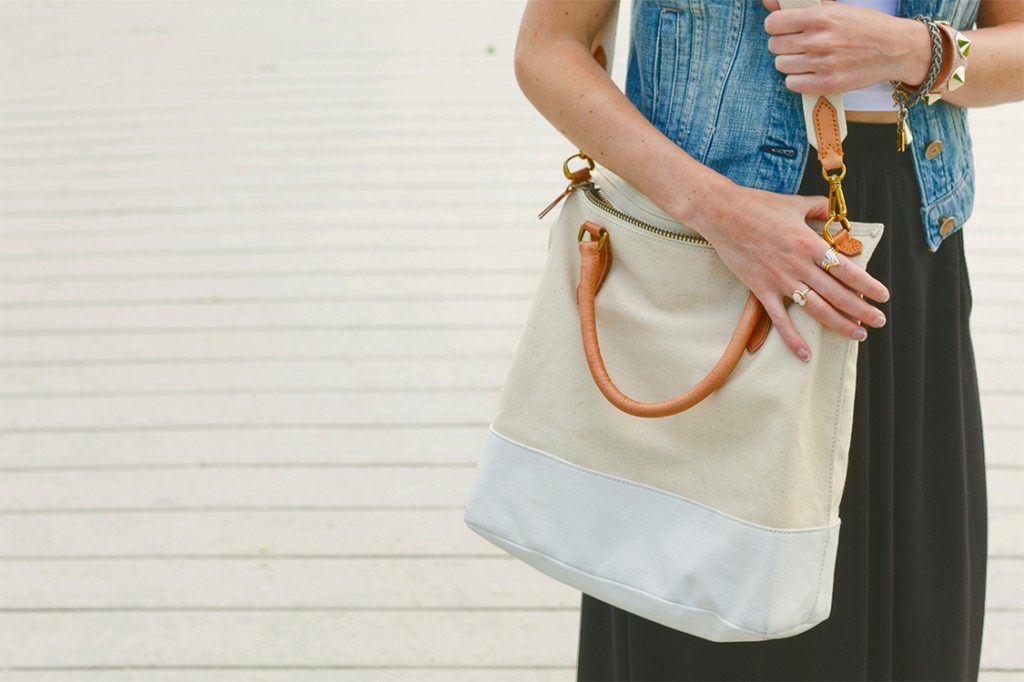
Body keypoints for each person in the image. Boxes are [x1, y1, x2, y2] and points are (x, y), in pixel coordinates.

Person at [512, 0, 1024, 679]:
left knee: (911, 621)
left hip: (903, 254)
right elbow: (548, 50)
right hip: (705, 247)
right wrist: (716, 211)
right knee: (699, 612)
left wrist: (917, 52)